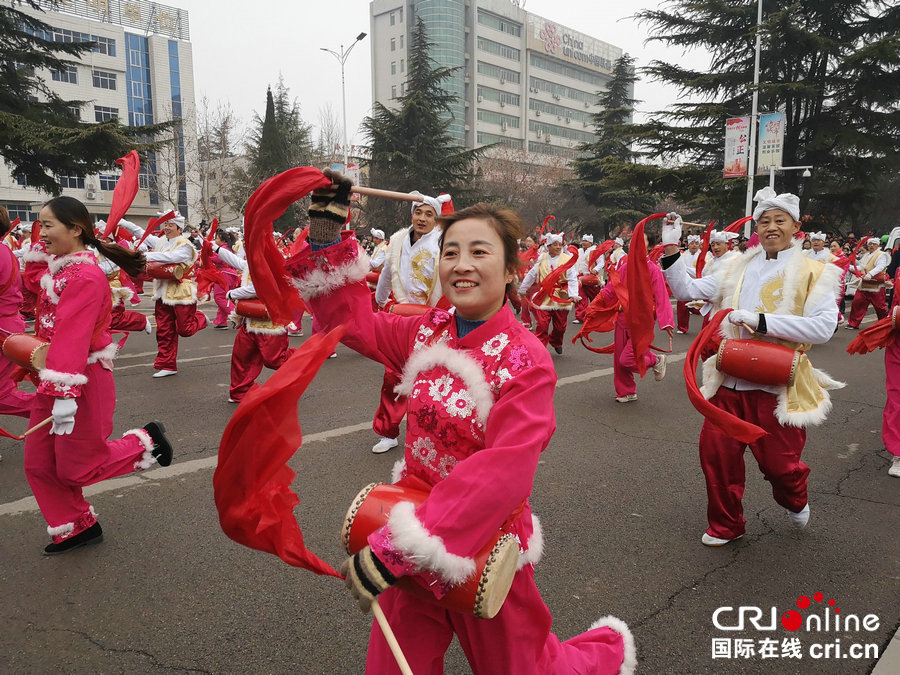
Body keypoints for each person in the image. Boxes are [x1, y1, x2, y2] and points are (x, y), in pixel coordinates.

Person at [281, 173, 634, 674]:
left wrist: (398, 549)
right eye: (450, 252)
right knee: (393, 667)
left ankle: (603, 656)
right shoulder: (426, 330)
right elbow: (354, 324)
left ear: (512, 270)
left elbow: (504, 470)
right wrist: (324, 235)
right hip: (411, 524)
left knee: (523, 670)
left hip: (481, 541)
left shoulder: (526, 360)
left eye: (479, 252)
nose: (462, 265)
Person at [660, 188, 842, 546]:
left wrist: (760, 321)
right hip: (729, 379)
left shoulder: (816, 271)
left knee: (780, 466)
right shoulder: (736, 265)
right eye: (764, 220)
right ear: (755, 226)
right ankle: (726, 525)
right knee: (717, 457)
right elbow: (687, 290)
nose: (771, 227)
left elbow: (823, 328)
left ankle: (795, 497)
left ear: (796, 226)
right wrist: (670, 249)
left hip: (778, 383)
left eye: (779, 220)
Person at [24, 196, 173, 555]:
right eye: (39, 225)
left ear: (75, 229)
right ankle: (75, 527)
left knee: (77, 468)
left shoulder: (85, 275)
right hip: (56, 375)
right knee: (38, 461)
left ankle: (146, 443)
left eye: (47, 226)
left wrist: (63, 394)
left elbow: (73, 339)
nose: (40, 234)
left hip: (80, 381)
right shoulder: (60, 266)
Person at [370, 193, 449, 454]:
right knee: (393, 374)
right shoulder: (398, 240)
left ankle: (430, 432)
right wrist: (380, 301)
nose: (422, 218)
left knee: (430, 377)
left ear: (436, 219)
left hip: (433, 317)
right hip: (401, 315)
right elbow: (387, 272)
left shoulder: (443, 242)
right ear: (411, 214)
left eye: (429, 214)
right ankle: (388, 431)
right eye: (419, 212)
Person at [119, 213, 208, 376]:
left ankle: (201, 317)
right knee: (164, 330)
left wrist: (142, 256)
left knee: (185, 330)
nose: (166, 227)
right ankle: (167, 365)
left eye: (170, 225)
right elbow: (141, 233)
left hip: (181, 293)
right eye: (165, 224)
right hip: (161, 292)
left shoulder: (186, 245)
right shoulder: (161, 242)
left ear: (179, 228)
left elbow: (170, 258)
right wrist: (122, 221)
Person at [207, 241, 296, 403]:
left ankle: (301, 359)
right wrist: (215, 248)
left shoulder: (270, 263)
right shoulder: (253, 262)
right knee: (242, 356)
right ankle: (240, 392)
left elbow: (258, 288)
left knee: (275, 360)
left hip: (270, 323)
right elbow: (238, 262)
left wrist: (232, 294)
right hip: (250, 320)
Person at [596, 233, 673, 402]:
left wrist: (666, 322)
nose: (635, 244)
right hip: (623, 320)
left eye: (641, 241)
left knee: (627, 359)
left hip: (641, 323)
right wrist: (595, 306)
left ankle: (655, 360)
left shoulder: (653, 270)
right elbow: (611, 290)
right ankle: (627, 391)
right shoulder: (624, 268)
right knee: (619, 359)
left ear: (650, 246)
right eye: (633, 241)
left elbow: (662, 297)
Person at [518, 233, 580, 354]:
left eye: (560, 245)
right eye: (555, 245)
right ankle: (539, 348)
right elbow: (532, 275)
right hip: (544, 296)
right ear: (548, 246)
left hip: (560, 296)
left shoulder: (566, 259)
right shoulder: (541, 259)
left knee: (560, 327)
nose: (558, 247)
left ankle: (556, 341)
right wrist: (522, 289)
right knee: (542, 324)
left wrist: (573, 294)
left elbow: (572, 278)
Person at [0, 206, 35, 417]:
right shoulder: (5, 250)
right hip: (9, 324)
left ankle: (53, 410)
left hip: (3, 328)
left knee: (2, 395)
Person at [846, 237, 890, 329]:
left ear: (878, 245)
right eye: (870, 244)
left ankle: (884, 323)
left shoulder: (882, 255)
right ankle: (853, 323)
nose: (871, 245)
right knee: (857, 302)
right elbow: (861, 267)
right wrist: (848, 267)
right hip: (865, 283)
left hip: (876, 284)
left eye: (874, 244)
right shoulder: (866, 255)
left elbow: (880, 267)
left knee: (880, 307)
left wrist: (870, 274)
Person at [676, 229, 702, 334]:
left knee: (703, 308)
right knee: (682, 305)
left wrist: (685, 269)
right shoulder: (682, 256)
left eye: (696, 243)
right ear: (688, 245)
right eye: (692, 243)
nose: (694, 246)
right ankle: (682, 327)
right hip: (685, 284)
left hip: (699, 284)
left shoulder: (704, 256)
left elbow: (700, 272)